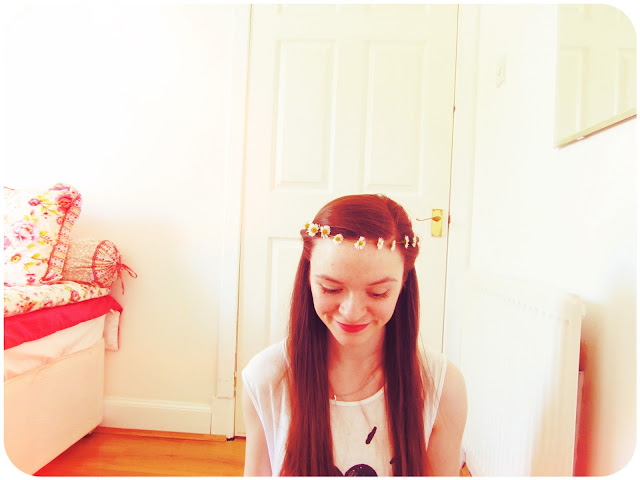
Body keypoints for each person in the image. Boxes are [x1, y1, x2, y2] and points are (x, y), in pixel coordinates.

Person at [242, 194, 467, 476]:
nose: (351, 312)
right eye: (331, 289)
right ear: (309, 278)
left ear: (404, 282)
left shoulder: (442, 387)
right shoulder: (267, 378)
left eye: (377, 293)